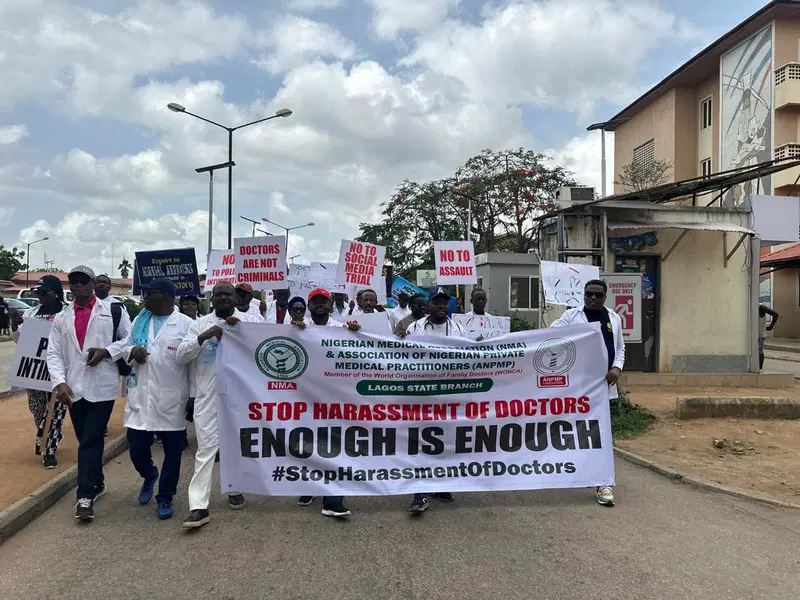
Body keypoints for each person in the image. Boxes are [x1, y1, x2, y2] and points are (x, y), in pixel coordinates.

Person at [47, 265, 132, 522]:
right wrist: (59, 383)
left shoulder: (113, 311)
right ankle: (97, 481)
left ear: (93, 283)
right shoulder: (62, 318)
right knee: (86, 437)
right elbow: (54, 353)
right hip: (73, 389)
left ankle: (84, 497)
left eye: (83, 281)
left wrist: (106, 351)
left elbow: (128, 340)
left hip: (102, 387)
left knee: (91, 440)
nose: (78, 286)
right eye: (73, 282)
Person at [177, 283, 262, 529]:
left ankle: (234, 488)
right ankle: (198, 507)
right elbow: (181, 356)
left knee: (236, 446)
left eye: (228, 294)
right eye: (219, 295)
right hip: (209, 396)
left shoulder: (251, 320)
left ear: (236, 297)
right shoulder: (200, 324)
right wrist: (204, 336)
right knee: (205, 450)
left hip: (242, 397)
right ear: (212, 299)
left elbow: (271, 341)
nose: (224, 297)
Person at [120, 278, 193, 520]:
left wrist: (192, 397)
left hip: (171, 400)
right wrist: (132, 351)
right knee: (137, 449)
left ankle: (165, 497)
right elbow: (123, 347)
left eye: (149, 294)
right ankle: (150, 474)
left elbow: (193, 366)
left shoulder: (186, 325)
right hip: (142, 398)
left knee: (173, 453)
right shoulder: (139, 321)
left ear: (165, 297)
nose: (144, 299)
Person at [550, 279, 624, 507]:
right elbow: (549, 335)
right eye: (589, 295)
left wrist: (617, 368)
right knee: (573, 429)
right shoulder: (572, 316)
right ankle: (571, 470)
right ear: (583, 296)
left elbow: (620, 347)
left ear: (605, 297)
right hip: (578, 386)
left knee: (601, 432)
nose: (592, 298)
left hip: (602, 386)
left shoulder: (614, 318)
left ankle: (604, 482)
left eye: (597, 295)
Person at [291, 288, 358, 518]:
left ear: (330, 305)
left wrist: (357, 334)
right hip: (306, 397)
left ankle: (332, 499)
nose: (320, 305)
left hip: (335, 398)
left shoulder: (343, 329)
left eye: (324, 302)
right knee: (307, 444)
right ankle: (308, 487)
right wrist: (293, 331)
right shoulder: (298, 328)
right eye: (315, 302)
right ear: (309, 306)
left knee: (335, 445)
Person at [404, 288, 466, 514]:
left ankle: (438, 486)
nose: (441, 306)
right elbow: (403, 355)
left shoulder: (459, 328)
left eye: (444, 303)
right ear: (428, 304)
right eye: (436, 302)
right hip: (421, 394)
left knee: (443, 442)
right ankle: (418, 494)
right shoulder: (415, 328)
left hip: (448, 395)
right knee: (419, 442)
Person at [11, 275, 68, 468]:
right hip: (35, 371)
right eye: (39, 293)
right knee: (38, 410)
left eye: (45, 293)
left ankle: (49, 449)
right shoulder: (32, 314)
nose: (41, 297)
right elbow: (21, 341)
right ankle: (46, 433)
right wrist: (14, 324)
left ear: (57, 294)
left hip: (59, 372)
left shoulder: (68, 315)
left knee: (55, 409)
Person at [758, 304, 779, 370]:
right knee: (757, 353)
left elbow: (775, 314)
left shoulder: (760, 307)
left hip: (759, 335)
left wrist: (771, 326)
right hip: (752, 335)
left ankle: (760, 370)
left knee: (759, 353)